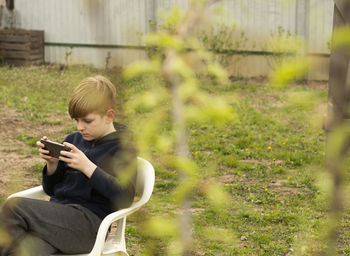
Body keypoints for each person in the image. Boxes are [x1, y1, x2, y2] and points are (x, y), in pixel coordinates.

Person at [0, 75, 137, 256]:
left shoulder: (122, 147)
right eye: (76, 120)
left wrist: (88, 167)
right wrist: (52, 165)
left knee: (13, 206)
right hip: (57, 221)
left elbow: (125, 196)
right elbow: (50, 190)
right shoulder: (73, 140)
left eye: (87, 121)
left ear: (109, 115)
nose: (80, 127)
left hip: (90, 226)